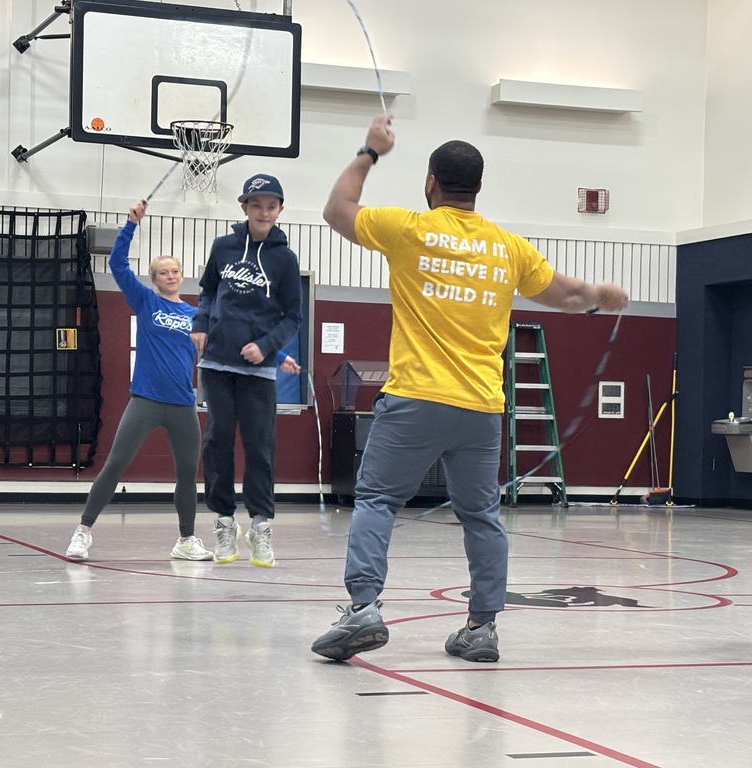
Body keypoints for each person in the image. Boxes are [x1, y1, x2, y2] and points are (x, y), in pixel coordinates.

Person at [310, 115, 629, 662]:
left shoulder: (407, 228)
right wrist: (600, 296)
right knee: (480, 515)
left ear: (431, 182)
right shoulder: (507, 248)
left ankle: (363, 610)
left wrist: (370, 150)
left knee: (378, 501)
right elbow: (570, 295)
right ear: (477, 188)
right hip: (482, 409)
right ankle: (481, 628)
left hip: (415, 399)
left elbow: (336, 211)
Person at [65, 200, 212, 563]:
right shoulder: (146, 302)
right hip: (145, 399)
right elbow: (116, 264)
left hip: (182, 404)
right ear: (154, 279)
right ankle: (83, 531)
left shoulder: (196, 315)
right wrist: (131, 225)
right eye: (163, 272)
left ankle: (186, 540)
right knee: (115, 464)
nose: (171, 275)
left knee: (187, 474)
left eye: (175, 270)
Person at [190, 174, 302, 568]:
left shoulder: (285, 260)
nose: (264, 212)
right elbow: (206, 291)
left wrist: (267, 347)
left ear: (280, 210)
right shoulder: (223, 247)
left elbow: (293, 316)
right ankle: (223, 522)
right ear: (244, 208)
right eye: (257, 205)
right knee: (217, 442)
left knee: (259, 448)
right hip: (218, 365)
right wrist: (200, 325)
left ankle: (260, 524)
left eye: (271, 206)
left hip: (259, 373)